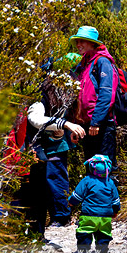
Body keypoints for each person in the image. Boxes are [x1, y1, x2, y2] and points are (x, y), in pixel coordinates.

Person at [26, 75, 86, 239]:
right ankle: (49, 220)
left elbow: (69, 114)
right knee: (46, 182)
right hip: (42, 147)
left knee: (56, 179)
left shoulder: (61, 97)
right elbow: (35, 119)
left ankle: (61, 216)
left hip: (56, 145)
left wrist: (69, 129)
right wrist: (65, 125)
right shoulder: (40, 99)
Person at [69, 26, 119, 174]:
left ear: (93, 43)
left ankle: (110, 197)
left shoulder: (102, 62)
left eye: (83, 41)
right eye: (78, 41)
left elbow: (106, 94)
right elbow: (78, 98)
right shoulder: (84, 64)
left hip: (102, 126)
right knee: (91, 169)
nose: (79, 44)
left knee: (105, 169)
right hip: (87, 126)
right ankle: (93, 197)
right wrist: (75, 125)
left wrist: (96, 121)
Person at [68, 154, 121, 253]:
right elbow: (115, 201)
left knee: (84, 231)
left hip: (88, 214)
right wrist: (115, 211)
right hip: (106, 216)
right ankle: (102, 248)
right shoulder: (110, 182)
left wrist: (71, 202)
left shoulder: (87, 181)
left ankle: (83, 249)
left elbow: (77, 195)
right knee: (104, 233)